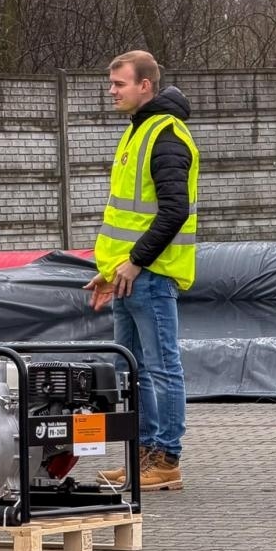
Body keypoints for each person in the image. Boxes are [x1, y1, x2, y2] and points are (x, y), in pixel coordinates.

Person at [86, 50, 198, 492]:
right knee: (132, 369)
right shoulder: (140, 131)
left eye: (119, 84)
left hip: (148, 275)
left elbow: (173, 212)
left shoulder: (166, 137)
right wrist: (112, 270)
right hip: (126, 276)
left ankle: (167, 458)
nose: (111, 91)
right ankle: (145, 452)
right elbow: (127, 218)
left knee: (162, 366)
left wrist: (134, 262)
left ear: (145, 86)